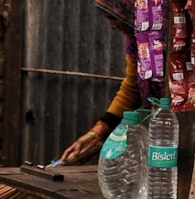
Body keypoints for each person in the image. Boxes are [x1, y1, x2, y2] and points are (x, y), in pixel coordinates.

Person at [57, 1, 144, 165]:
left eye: (113, 18)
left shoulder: (170, 36)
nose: (112, 26)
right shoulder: (135, 43)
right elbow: (132, 89)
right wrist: (98, 132)